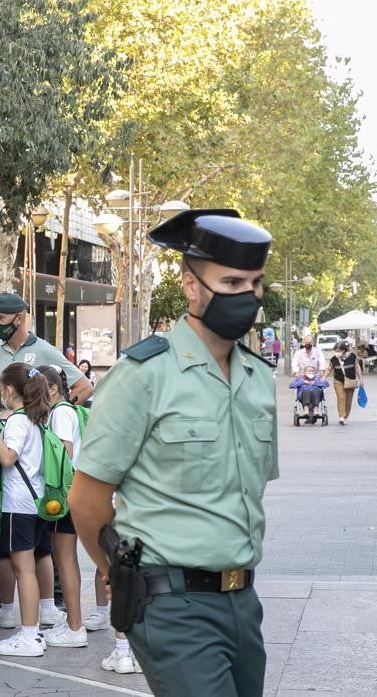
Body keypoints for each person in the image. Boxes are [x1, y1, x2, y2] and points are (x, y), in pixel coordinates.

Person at [68, 208, 277, 697]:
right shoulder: (143, 374)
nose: (247, 296)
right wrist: (118, 574)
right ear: (190, 286)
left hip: (244, 601)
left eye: (256, 282)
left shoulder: (258, 378)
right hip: (172, 605)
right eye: (231, 281)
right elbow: (86, 501)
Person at [0, 364, 53, 657]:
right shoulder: (36, 419)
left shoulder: (17, 421)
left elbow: (8, 458)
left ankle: (28, 635)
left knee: (23, 569)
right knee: (31, 566)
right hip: (36, 501)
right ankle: (32, 630)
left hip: (18, 504)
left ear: (9, 389)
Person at [35, 365, 88, 650]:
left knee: (64, 558)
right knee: (67, 559)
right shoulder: (64, 411)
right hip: (72, 490)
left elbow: (63, 454)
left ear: (53, 389)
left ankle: (75, 625)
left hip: (63, 493)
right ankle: (73, 622)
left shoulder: (60, 413)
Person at [0, 293, 93, 406]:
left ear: (19, 318)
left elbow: (85, 388)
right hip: (2, 423)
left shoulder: (45, 351)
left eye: (1, 317)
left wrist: (52, 414)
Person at [326, 339, 361, 425]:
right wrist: (323, 377)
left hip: (350, 381)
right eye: (336, 351)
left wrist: (361, 379)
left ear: (344, 350)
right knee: (341, 397)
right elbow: (328, 369)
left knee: (348, 400)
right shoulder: (333, 359)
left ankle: (345, 416)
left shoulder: (352, 356)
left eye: (339, 351)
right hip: (338, 381)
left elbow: (357, 368)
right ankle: (341, 416)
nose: (337, 353)